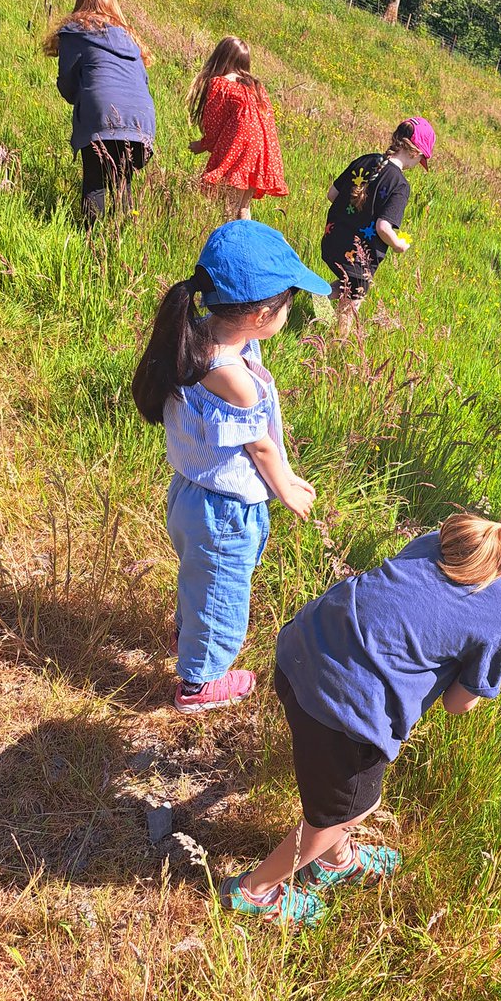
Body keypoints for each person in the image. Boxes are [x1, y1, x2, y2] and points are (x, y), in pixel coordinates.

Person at [219, 459, 501, 927]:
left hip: (302, 650)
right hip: (345, 708)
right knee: (345, 812)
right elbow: (457, 702)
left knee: (343, 797)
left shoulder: (449, 538)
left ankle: (333, 862)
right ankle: (255, 890)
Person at [131, 221, 331, 714]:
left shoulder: (199, 335)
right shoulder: (234, 380)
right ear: (263, 314)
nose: (291, 310)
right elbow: (259, 446)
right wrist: (284, 485)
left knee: (202, 576)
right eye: (289, 302)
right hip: (222, 512)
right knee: (222, 594)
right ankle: (199, 684)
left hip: (190, 494)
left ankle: (186, 633)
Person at [43, 0, 156, 224]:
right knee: (123, 178)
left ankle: (90, 244)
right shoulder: (131, 39)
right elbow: (142, 81)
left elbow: (67, 86)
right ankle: (121, 240)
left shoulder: (75, 32)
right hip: (142, 122)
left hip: (101, 114)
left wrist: (81, 97)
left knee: (96, 179)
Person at [321, 117, 435, 335]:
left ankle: (320, 293)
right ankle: (336, 344)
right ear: (415, 152)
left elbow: (331, 195)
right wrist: (398, 245)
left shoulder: (365, 160)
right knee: (353, 301)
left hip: (332, 241)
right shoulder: (400, 185)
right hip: (357, 256)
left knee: (347, 285)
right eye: (420, 159)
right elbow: (383, 227)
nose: (415, 166)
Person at [187, 36, 288, 221]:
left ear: (220, 56)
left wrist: (203, 145)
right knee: (243, 208)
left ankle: (228, 246)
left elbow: (214, 123)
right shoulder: (256, 86)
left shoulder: (221, 84)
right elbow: (268, 121)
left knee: (228, 207)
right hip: (262, 152)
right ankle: (245, 244)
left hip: (240, 148)